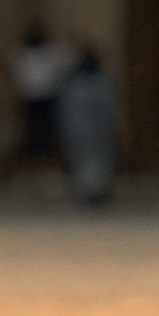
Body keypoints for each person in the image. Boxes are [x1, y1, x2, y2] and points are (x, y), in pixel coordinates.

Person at [56, 46, 117, 207]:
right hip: (81, 128)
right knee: (83, 160)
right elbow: (66, 109)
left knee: (97, 159)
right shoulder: (74, 83)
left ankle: (95, 190)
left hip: (94, 128)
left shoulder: (100, 81)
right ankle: (88, 190)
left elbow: (107, 106)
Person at [6, 25, 73, 172]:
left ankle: (44, 152)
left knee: (45, 128)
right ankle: (35, 153)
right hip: (33, 97)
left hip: (43, 97)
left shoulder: (47, 52)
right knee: (34, 127)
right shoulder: (23, 53)